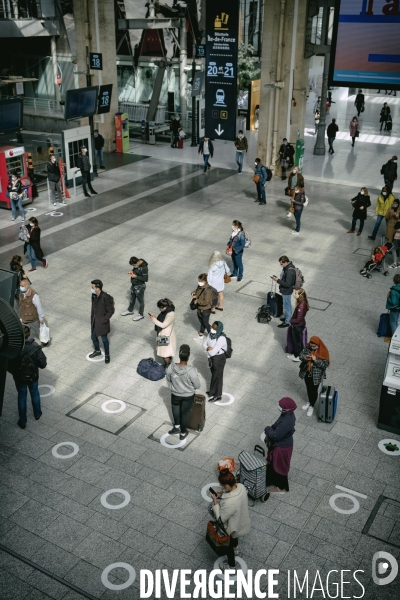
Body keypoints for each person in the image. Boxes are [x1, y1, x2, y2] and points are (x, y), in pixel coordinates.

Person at [210, 469, 250, 572]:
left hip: (231, 526)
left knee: (229, 546)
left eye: (223, 486)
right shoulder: (241, 487)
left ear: (227, 485)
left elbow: (220, 519)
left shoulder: (230, 502)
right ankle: (236, 548)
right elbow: (232, 494)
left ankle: (232, 566)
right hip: (240, 520)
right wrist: (223, 495)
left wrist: (215, 502)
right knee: (235, 535)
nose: (222, 487)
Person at [7, 325, 47, 429]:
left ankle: (23, 420)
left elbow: (9, 365)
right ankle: (37, 414)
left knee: (21, 396)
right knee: (34, 393)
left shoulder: (16, 348)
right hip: (33, 376)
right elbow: (43, 364)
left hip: (19, 377)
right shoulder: (35, 347)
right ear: (29, 334)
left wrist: (15, 373)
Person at [263, 397, 297, 496]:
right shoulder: (288, 415)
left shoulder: (286, 422)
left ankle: (281, 487)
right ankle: (271, 479)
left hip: (282, 447)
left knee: (280, 466)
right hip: (283, 445)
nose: (279, 407)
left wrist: (267, 429)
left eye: (281, 407)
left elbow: (276, 435)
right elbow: (277, 425)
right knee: (275, 464)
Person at [165, 344, 200, 440]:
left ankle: (176, 427)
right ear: (188, 357)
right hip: (188, 395)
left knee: (175, 410)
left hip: (175, 394)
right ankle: (183, 433)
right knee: (185, 413)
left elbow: (168, 379)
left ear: (179, 356)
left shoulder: (171, 368)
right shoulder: (192, 371)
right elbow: (197, 385)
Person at [299, 336, 330, 417]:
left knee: (314, 389)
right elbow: (300, 355)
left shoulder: (323, 351)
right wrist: (306, 357)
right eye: (311, 346)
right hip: (307, 372)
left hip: (316, 374)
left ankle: (312, 405)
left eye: (314, 346)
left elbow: (325, 365)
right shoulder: (308, 346)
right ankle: (309, 401)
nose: (312, 347)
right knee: (308, 387)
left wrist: (316, 360)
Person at [89, 279, 115, 364]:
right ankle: (97, 350)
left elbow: (111, 311)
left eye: (93, 287)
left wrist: (104, 319)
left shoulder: (106, 298)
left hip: (102, 322)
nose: (91, 288)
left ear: (98, 288)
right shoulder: (94, 295)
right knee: (93, 337)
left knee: (104, 339)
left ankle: (107, 355)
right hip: (95, 321)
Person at [203, 321, 228, 403]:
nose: (212, 329)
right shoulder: (211, 334)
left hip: (218, 358)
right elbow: (204, 344)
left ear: (218, 329)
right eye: (212, 327)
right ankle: (212, 391)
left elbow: (214, 352)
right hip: (212, 358)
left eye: (214, 328)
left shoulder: (221, 338)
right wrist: (207, 348)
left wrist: (209, 350)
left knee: (217, 376)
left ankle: (217, 395)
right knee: (214, 375)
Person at [149, 298, 176, 368]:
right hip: (163, 334)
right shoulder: (166, 311)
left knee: (164, 354)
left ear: (164, 307)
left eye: (160, 308)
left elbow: (163, 325)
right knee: (166, 352)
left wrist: (154, 320)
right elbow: (162, 320)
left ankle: (167, 366)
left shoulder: (170, 314)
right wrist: (155, 317)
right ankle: (168, 364)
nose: (159, 309)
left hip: (165, 335)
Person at [121, 256, 149, 322]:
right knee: (132, 298)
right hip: (134, 285)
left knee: (141, 301)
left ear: (137, 262)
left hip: (140, 286)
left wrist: (135, 276)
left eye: (134, 265)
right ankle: (130, 310)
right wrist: (132, 271)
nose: (134, 266)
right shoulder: (137, 265)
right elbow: (136, 270)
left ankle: (141, 314)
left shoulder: (144, 268)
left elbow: (145, 279)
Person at [19, 278, 46, 343]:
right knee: (24, 330)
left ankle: (44, 341)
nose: (21, 287)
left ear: (27, 286)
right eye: (20, 286)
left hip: (32, 318)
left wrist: (41, 317)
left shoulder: (34, 295)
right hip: (24, 317)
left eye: (22, 286)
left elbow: (38, 306)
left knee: (38, 330)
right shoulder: (21, 294)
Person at [272, 256, 296, 328]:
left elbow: (288, 284)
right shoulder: (289, 267)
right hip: (286, 290)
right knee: (287, 305)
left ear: (285, 262)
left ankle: (287, 322)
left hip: (287, 291)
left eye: (281, 264)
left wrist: (278, 280)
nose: (280, 265)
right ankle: (287, 318)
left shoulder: (289, 271)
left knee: (287, 306)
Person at [287, 288, 309, 361]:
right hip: (300, 324)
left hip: (297, 326)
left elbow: (298, 319)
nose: (294, 294)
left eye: (296, 293)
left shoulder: (301, 306)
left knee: (297, 342)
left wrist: (291, 321)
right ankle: (298, 354)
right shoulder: (303, 302)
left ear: (300, 295)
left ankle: (297, 356)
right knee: (298, 341)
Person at [192, 274, 214, 341]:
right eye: (199, 280)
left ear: (205, 281)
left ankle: (212, 336)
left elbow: (206, 302)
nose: (199, 282)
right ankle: (201, 334)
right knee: (202, 322)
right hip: (199, 308)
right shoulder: (200, 286)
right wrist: (194, 292)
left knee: (205, 323)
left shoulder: (208, 290)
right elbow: (198, 291)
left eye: (200, 281)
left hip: (205, 309)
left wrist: (197, 301)